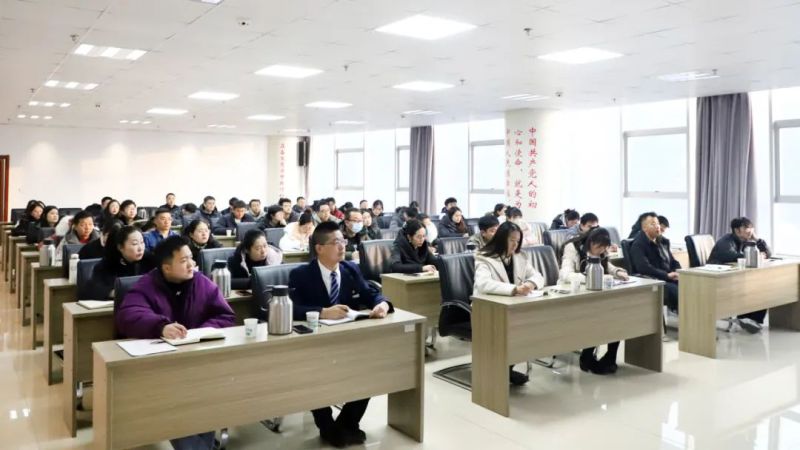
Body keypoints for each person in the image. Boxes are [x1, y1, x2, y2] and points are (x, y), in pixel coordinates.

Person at [115, 235, 234, 450]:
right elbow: (128, 315)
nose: (191, 265)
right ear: (167, 268)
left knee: (206, 401)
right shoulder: (147, 285)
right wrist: (161, 326)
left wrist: (200, 332)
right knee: (177, 407)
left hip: (198, 360)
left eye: (191, 259)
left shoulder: (201, 282)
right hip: (162, 366)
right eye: (184, 261)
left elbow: (225, 315)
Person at [288, 221, 392, 447]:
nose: (342, 246)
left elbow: (370, 293)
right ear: (319, 248)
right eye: (336, 242)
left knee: (372, 370)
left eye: (343, 241)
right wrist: (323, 311)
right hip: (315, 343)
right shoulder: (301, 274)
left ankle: (348, 423)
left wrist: (382, 304)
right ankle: (326, 427)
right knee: (315, 375)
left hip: (350, 339)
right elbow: (291, 308)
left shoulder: (350, 269)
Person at [473, 221, 545, 385]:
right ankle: (501, 370)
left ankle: (507, 368)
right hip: (488, 310)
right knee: (515, 331)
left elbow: (538, 276)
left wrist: (530, 284)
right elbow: (483, 284)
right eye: (512, 240)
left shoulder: (520, 257)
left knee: (530, 328)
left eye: (518, 241)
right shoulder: (484, 257)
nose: (515, 244)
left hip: (513, 308)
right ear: (501, 239)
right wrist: (514, 289)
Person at [560, 228, 629, 374]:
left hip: (595, 294)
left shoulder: (602, 250)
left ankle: (610, 357)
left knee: (617, 315)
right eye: (599, 247)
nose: (601, 251)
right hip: (573, 294)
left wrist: (617, 272)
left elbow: (607, 265)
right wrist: (591, 278)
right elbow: (566, 274)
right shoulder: (572, 248)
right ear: (591, 242)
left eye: (604, 248)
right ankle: (587, 356)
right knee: (598, 317)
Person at [708, 217, 772, 333]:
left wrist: (757, 240)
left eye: (751, 227)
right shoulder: (725, 241)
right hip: (719, 278)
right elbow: (730, 256)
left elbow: (768, 253)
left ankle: (751, 320)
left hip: (735, 276)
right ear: (737, 230)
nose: (750, 230)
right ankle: (745, 318)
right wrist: (756, 255)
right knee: (752, 288)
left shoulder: (746, 241)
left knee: (761, 288)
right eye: (747, 228)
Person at [78, 225, 154, 299]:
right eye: (135, 244)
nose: (140, 248)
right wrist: (116, 293)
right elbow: (91, 290)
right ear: (120, 247)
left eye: (142, 242)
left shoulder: (150, 260)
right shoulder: (107, 265)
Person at [629, 213, 681, 312]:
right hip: (655, 281)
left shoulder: (662, 242)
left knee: (691, 285)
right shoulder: (638, 245)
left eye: (657, 223)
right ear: (644, 228)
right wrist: (666, 275)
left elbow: (673, 261)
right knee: (677, 291)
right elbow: (644, 268)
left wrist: (679, 272)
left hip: (668, 278)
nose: (657, 226)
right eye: (653, 224)